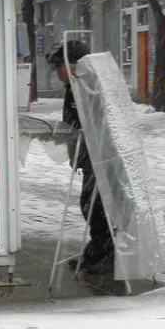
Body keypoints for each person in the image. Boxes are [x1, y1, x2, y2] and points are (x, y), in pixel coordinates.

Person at [50, 40, 113, 274]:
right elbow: (73, 124)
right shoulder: (73, 87)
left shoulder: (88, 87)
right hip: (88, 155)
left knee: (96, 205)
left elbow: (96, 122)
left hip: (101, 155)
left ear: (73, 65)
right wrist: (74, 154)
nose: (57, 72)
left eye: (59, 67)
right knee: (90, 204)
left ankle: (108, 253)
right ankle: (98, 250)